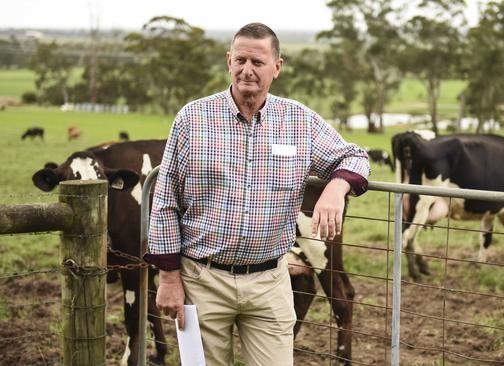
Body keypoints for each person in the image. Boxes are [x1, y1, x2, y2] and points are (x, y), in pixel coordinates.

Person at [145, 22, 370, 365]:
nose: (247, 70)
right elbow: (164, 204)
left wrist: (336, 187)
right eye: (240, 60)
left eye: (258, 62)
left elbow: (355, 156)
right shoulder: (192, 119)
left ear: (277, 67)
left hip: (269, 281)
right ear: (228, 61)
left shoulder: (299, 121)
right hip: (202, 279)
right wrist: (169, 278)